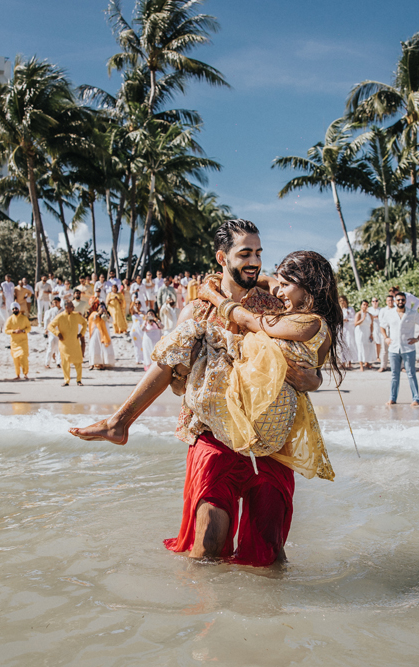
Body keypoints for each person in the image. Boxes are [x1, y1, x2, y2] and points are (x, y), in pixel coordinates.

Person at [70, 219, 323, 566]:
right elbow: (173, 374)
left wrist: (314, 380)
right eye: (245, 253)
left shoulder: (275, 306)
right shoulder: (195, 310)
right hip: (212, 435)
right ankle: (208, 617)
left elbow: (308, 364)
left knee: (268, 553)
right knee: (207, 547)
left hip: (269, 441)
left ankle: (267, 615)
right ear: (222, 257)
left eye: (258, 253)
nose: (254, 261)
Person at [380, 292, 419, 405]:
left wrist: (417, 339)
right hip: (393, 349)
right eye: (398, 300)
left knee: (411, 373)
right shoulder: (389, 313)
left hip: (408, 348)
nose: (400, 302)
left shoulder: (413, 313)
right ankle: (392, 398)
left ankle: (415, 398)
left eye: (403, 300)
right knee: (394, 374)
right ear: (395, 301)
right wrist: (386, 338)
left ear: (406, 301)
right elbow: (382, 326)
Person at [48, 299, 86, 385]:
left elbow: (84, 323)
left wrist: (81, 333)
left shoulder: (76, 315)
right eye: (71, 306)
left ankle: (79, 380)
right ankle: (66, 380)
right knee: (65, 363)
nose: (73, 307)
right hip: (64, 344)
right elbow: (50, 326)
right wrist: (57, 333)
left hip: (75, 343)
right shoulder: (60, 316)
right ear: (66, 307)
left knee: (78, 362)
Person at [5, 302, 32, 380]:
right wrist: (13, 331)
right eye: (13, 309)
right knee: (15, 359)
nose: (14, 310)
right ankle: (17, 375)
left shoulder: (24, 318)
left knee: (23, 357)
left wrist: (23, 331)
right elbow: (6, 330)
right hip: (14, 343)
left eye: (16, 308)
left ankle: (25, 374)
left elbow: (29, 328)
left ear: (19, 309)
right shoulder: (10, 319)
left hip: (23, 341)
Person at [88, 302, 115, 369]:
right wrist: (99, 313)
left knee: (103, 348)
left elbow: (111, 320)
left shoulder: (106, 314)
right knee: (94, 347)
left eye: (103, 307)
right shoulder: (94, 313)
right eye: (100, 307)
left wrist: (106, 314)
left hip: (105, 333)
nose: (102, 309)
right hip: (96, 332)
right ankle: (93, 363)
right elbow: (92, 318)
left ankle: (102, 363)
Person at [353, 300, 376, 371]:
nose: (365, 306)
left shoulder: (370, 315)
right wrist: (362, 319)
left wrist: (371, 334)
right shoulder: (359, 314)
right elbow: (355, 323)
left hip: (367, 332)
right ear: (361, 305)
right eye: (364, 305)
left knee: (368, 347)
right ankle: (361, 365)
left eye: (366, 305)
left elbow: (371, 325)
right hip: (360, 332)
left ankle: (367, 362)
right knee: (361, 348)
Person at [43, 296, 63, 369]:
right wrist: (46, 328)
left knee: (59, 348)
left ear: (59, 302)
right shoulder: (51, 310)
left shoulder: (63, 310)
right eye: (54, 302)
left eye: (56, 302)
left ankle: (58, 362)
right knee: (50, 347)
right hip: (52, 331)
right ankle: (47, 363)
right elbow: (47, 319)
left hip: (60, 331)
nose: (55, 303)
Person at [377, 294, 394, 372]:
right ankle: (383, 366)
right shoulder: (383, 310)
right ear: (386, 302)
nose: (390, 302)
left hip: (394, 332)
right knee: (384, 350)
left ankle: (401, 366)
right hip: (385, 332)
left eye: (391, 300)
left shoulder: (396, 309)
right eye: (389, 300)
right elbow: (381, 321)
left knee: (397, 350)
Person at [339, 296, 356, 370]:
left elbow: (354, 319)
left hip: (349, 329)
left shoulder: (350, 309)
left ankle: (349, 362)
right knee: (342, 346)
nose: (342, 302)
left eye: (343, 300)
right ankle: (343, 362)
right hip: (341, 330)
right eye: (341, 301)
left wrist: (348, 319)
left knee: (349, 344)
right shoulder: (338, 310)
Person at [129, 299, 145, 366]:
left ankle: (143, 359)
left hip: (141, 330)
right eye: (136, 303)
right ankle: (137, 359)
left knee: (142, 344)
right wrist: (133, 301)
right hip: (134, 330)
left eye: (138, 303)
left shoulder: (143, 312)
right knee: (136, 345)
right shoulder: (133, 312)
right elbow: (131, 308)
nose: (137, 305)